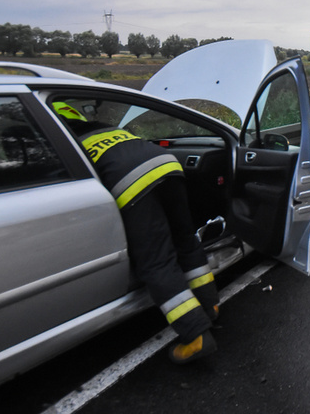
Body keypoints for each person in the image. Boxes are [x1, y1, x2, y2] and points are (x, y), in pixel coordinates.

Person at [52, 102, 219, 364]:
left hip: (131, 181)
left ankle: (195, 334)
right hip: (166, 163)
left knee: (157, 262)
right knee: (185, 240)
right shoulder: (101, 128)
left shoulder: (61, 141)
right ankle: (211, 305)